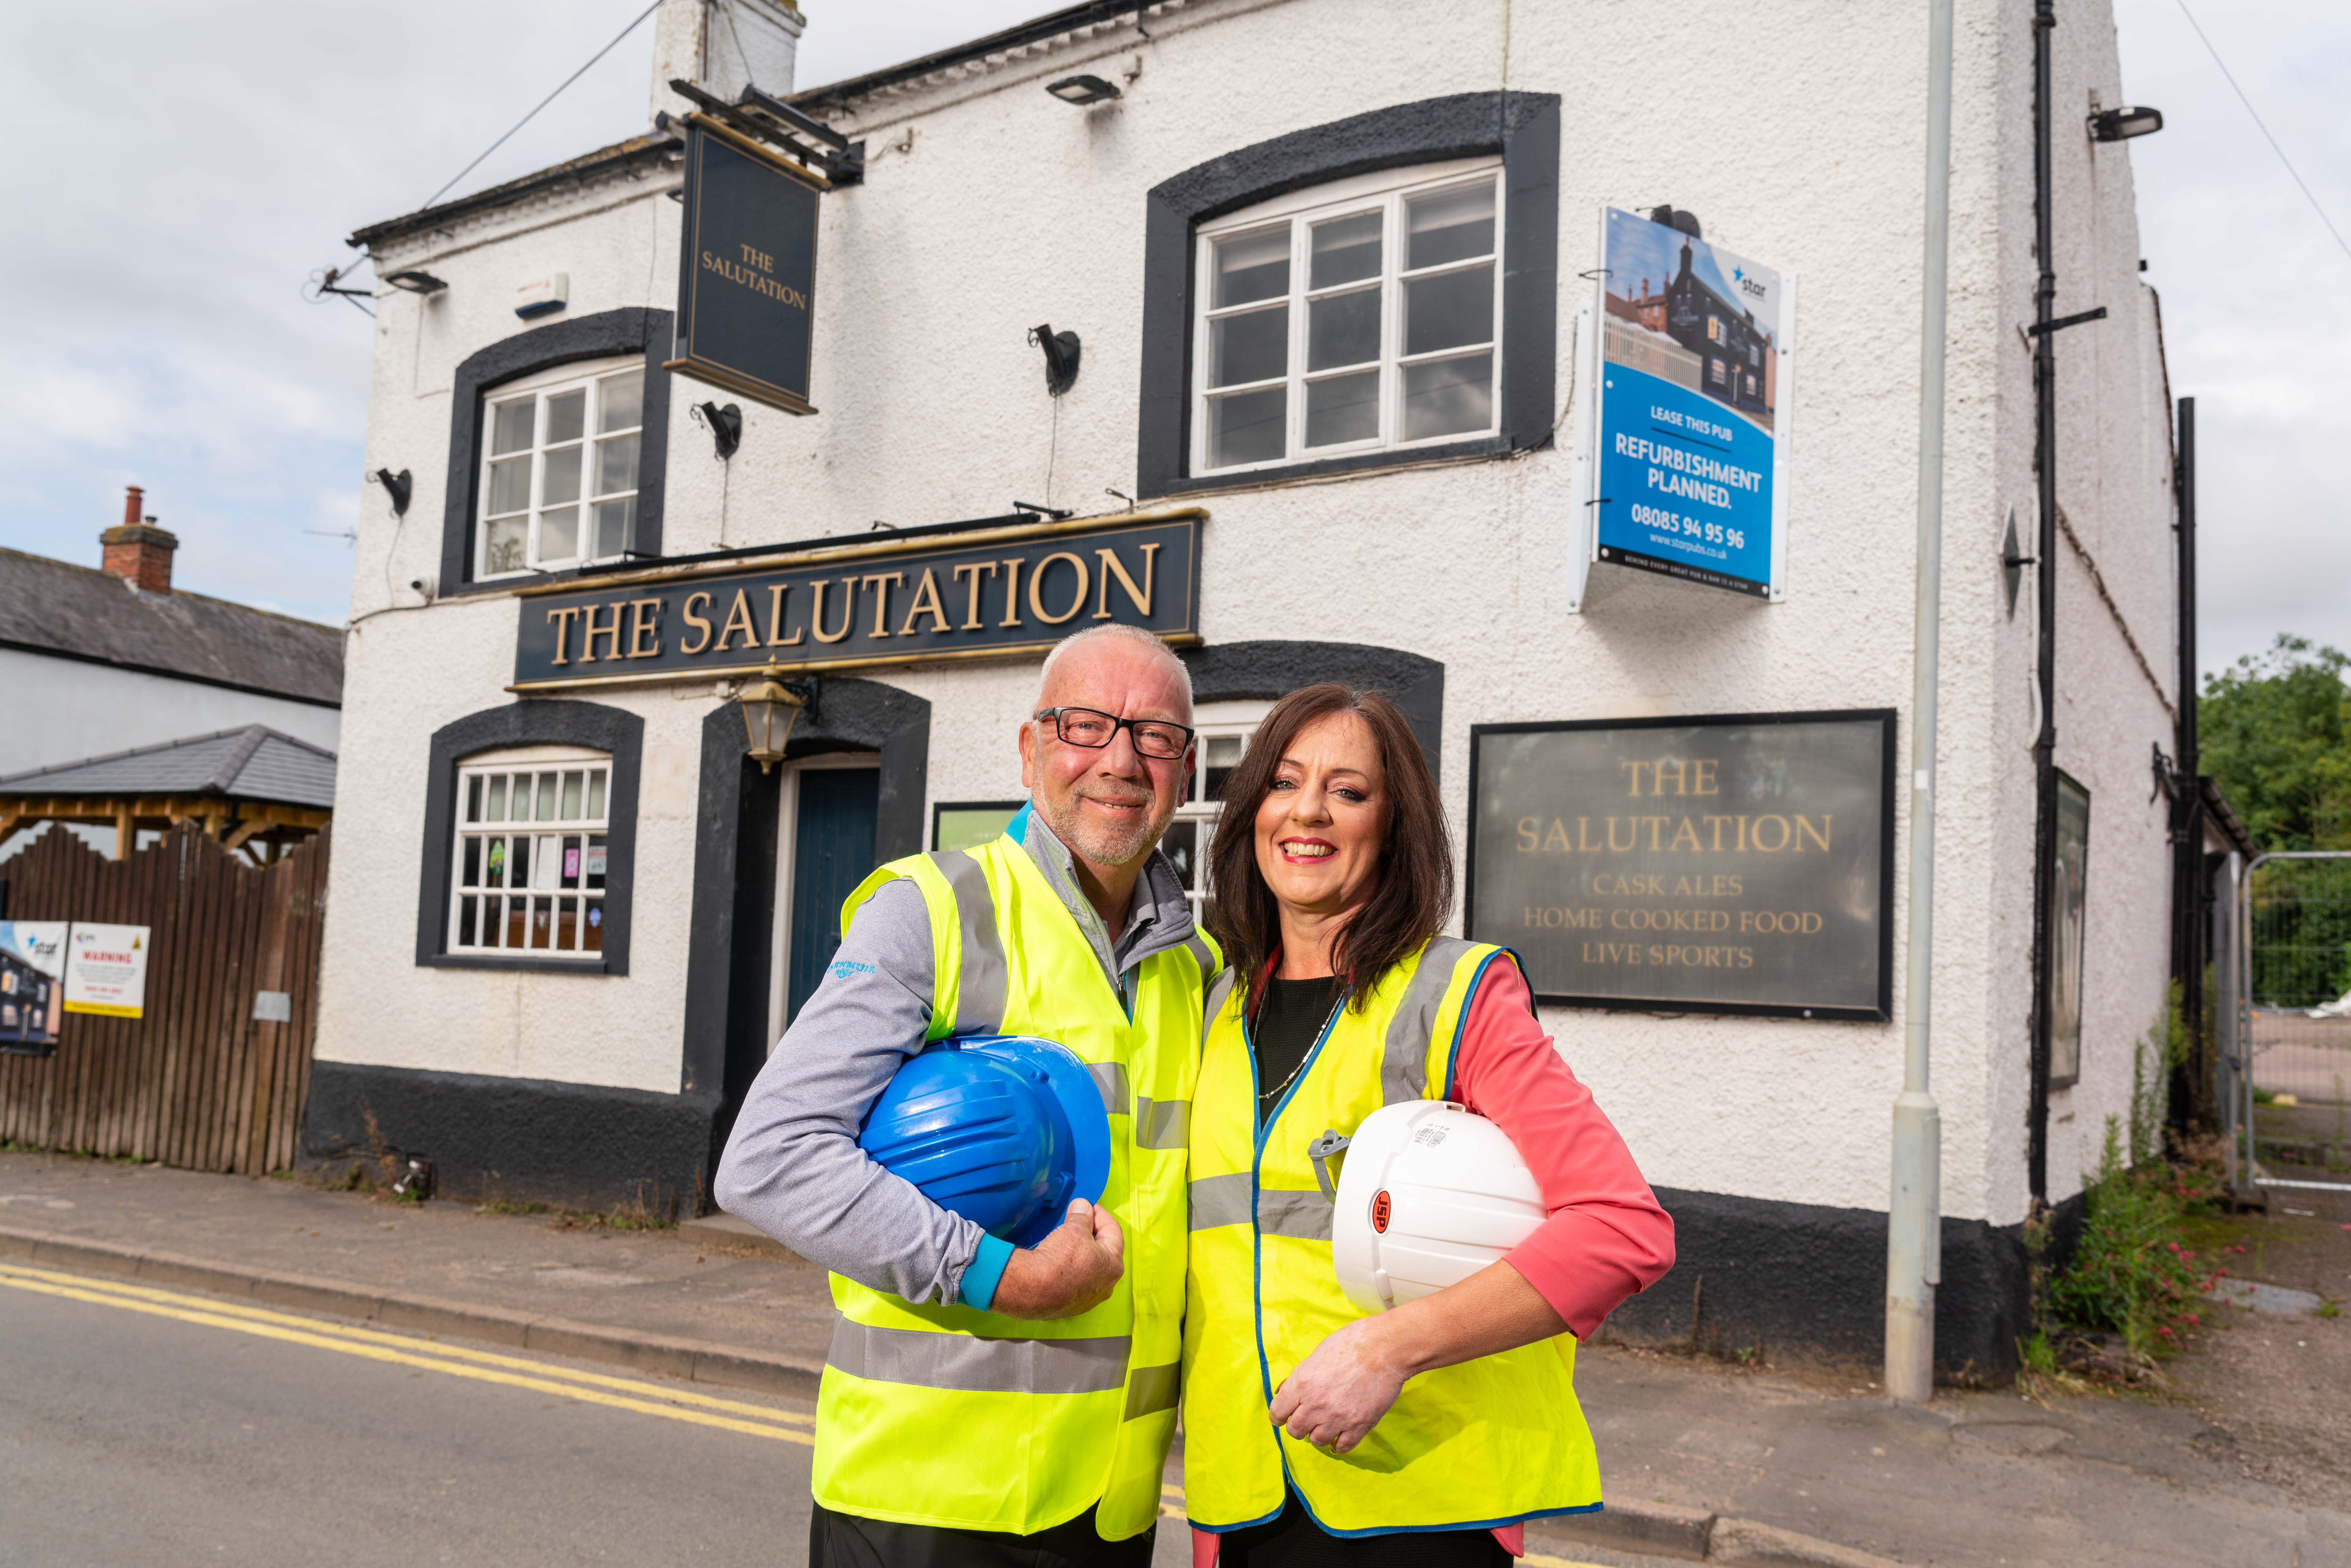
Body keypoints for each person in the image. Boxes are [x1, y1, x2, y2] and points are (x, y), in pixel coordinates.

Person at [715, 623, 1220, 1568]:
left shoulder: (1201, 968)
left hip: (1110, 1513)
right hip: (925, 1505)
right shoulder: (933, 910)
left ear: (1185, 771)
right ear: (1031, 750)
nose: (1120, 759)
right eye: (1086, 724)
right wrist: (1001, 1276)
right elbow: (770, 1157)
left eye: (1155, 736)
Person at [1181, 684, 1676, 1566]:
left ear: (1394, 824)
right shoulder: (1215, 1009)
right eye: (1284, 782)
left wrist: (1387, 1350)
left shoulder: (1458, 995)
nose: (1308, 811)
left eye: (1348, 790)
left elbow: (1621, 1229)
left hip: (1418, 1513)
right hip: (1245, 1499)